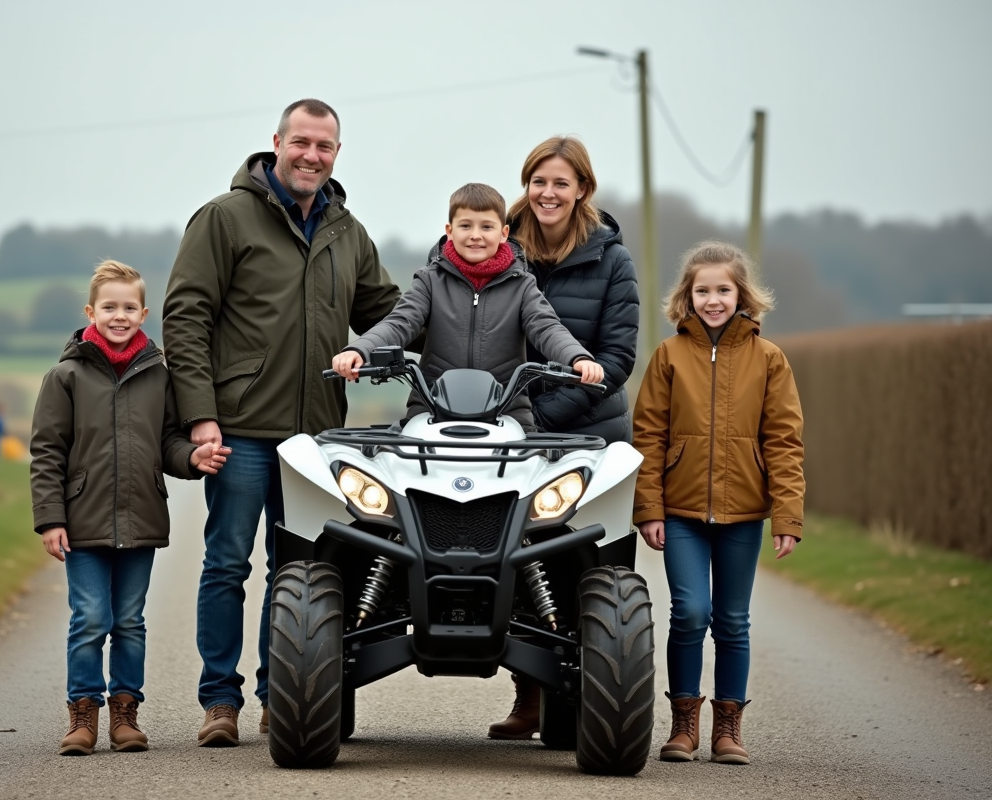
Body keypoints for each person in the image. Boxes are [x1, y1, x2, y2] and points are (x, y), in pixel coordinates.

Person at [161, 98, 403, 747]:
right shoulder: (223, 217)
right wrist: (200, 416)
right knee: (226, 565)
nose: (311, 156)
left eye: (324, 146)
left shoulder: (348, 233)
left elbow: (390, 314)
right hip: (238, 429)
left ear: (337, 154)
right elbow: (185, 317)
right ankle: (219, 700)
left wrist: (470, 317)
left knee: (297, 571)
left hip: (315, 439)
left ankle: (282, 697)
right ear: (276, 143)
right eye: (301, 142)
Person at [31, 260, 230, 756]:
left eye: (128, 307)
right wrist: (51, 519)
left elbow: (168, 442)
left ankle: (125, 713)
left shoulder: (158, 375)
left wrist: (191, 458)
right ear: (90, 312)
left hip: (141, 519)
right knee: (89, 618)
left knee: (129, 621)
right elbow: (47, 452)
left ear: (143, 314)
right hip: (83, 523)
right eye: (108, 307)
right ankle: (83, 713)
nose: (118, 316)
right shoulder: (66, 376)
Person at [488, 135, 640, 739]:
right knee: (507, 553)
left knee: (580, 562)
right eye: (538, 182)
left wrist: (542, 417)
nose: (547, 193)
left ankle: (581, 699)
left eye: (560, 183)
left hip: (586, 432)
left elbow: (617, 358)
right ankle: (529, 696)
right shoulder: (496, 243)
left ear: (582, 190)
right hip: (502, 430)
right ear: (526, 185)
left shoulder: (612, 260)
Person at [633, 241, 805, 765]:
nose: (712, 300)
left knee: (732, 620)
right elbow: (648, 436)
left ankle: (728, 729)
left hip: (743, 515)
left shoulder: (769, 358)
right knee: (689, 612)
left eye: (723, 290)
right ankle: (683, 724)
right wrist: (650, 508)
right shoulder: (668, 355)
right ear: (687, 296)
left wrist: (787, 514)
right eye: (702, 290)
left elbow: (784, 441)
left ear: (740, 294)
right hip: (681, 513)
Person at [332, 183, 604, 418]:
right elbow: (399, 323)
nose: (476, 235)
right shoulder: (429, 280)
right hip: (431, 407)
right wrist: (359, 350)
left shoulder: (522, 285)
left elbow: (547, 327)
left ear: (504, 233)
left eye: (486, 226)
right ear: (449, 230)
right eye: (465, 225)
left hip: (507, 410)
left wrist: (577, 358)